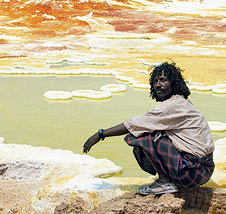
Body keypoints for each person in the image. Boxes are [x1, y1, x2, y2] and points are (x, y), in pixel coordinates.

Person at [83, 62, 215, 195]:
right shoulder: (182, 102)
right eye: (155, 81)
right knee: (154, 130)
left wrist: (100, 134)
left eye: (163, 80)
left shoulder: (170, 106)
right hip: (204, 170)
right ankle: (167, 180)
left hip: (191, 172)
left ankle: (164, 182)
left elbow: (133, 124)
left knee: (141, 136)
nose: (158, 84)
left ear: (173, 83)